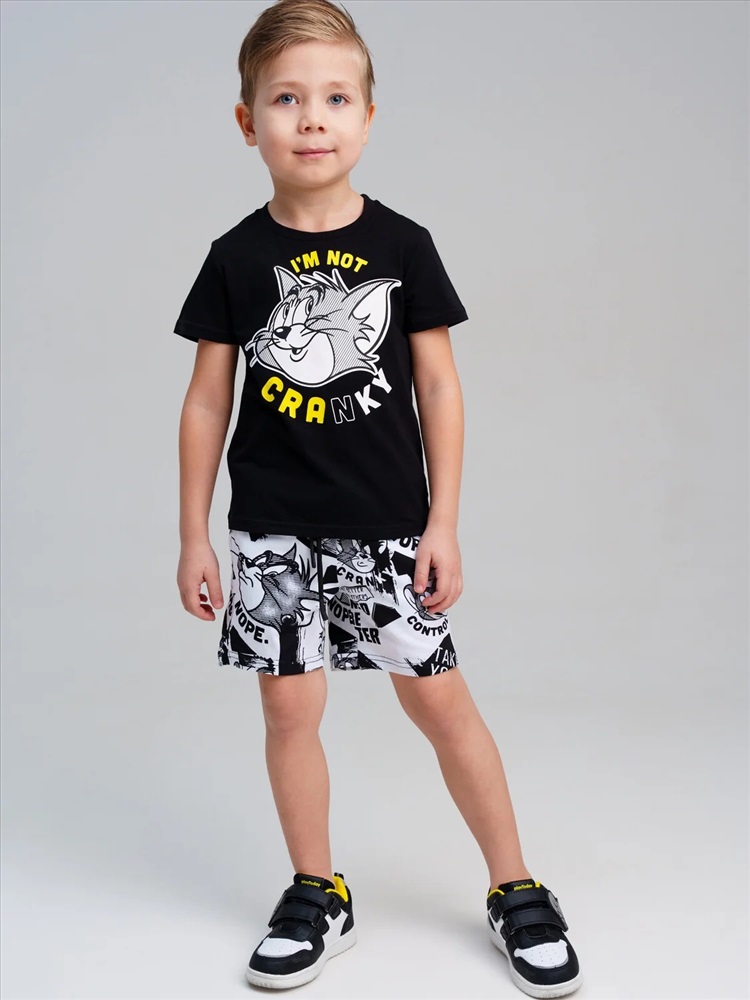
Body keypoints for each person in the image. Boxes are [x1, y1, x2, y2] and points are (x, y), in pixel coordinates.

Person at [172, 0, 582, 995]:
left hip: (390, 526)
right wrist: (194, 535)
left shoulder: (403, 245)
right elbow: (206, 401)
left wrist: (444, 521)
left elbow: (440, 387)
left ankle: (517, 884)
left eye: (335, 98)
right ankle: (318, 890)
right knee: (288, 711)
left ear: (367, 116)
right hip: (273, 531)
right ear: (248, 123)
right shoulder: (235, 257)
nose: (312, 118)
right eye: (286, 99)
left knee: (440, 704)